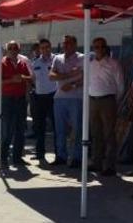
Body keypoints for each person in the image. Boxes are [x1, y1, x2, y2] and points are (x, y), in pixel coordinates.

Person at [88, 37, 125, 176]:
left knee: (109, 133)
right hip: (93, 100)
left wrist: (116, 100)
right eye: (95, 47)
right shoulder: (90, 64)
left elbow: (120, 84)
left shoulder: (114, 64)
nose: (98, 49)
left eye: (100, 47)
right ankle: (96, 162)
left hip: (108, 100)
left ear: (105, 48)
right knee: (95, 133)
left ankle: (110, 165)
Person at [0, 40, 31, 169]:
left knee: (20, 129)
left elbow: (29, 78)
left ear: (19, 50)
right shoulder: (2, 64)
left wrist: (23, 79)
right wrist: (11, 80)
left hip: (20, 99)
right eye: (11, 48)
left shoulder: (22, 63)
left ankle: (17, 158)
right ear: (6, 50)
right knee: (7, 130)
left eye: (16, 48)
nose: (13, 50)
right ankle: (3, 158)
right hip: (7, 99)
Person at [49, 35, 84, 168]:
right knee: (60, 129)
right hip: (59, 98)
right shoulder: (57, 58)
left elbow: (85, 77)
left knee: (77, 129)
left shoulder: (82, 58)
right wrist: (69, 75)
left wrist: (72, 85)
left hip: (76, 98)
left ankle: (77, 157)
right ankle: (61, 156)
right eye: (64, 43)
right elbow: (51, 76)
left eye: (68, 43)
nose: (65, 45)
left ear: (75, 44)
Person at [29, 39, 58, 163]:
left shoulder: (57, 60)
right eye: (42, 48)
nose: (45, 50)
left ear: (50, 47)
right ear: (39, 49)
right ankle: (40, 153)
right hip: (39, 97)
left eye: (47, 47)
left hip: (53, 96)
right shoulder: (35, 62)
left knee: (56, 127)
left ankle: (59, 155)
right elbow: (33, 79)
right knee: (39, 127)